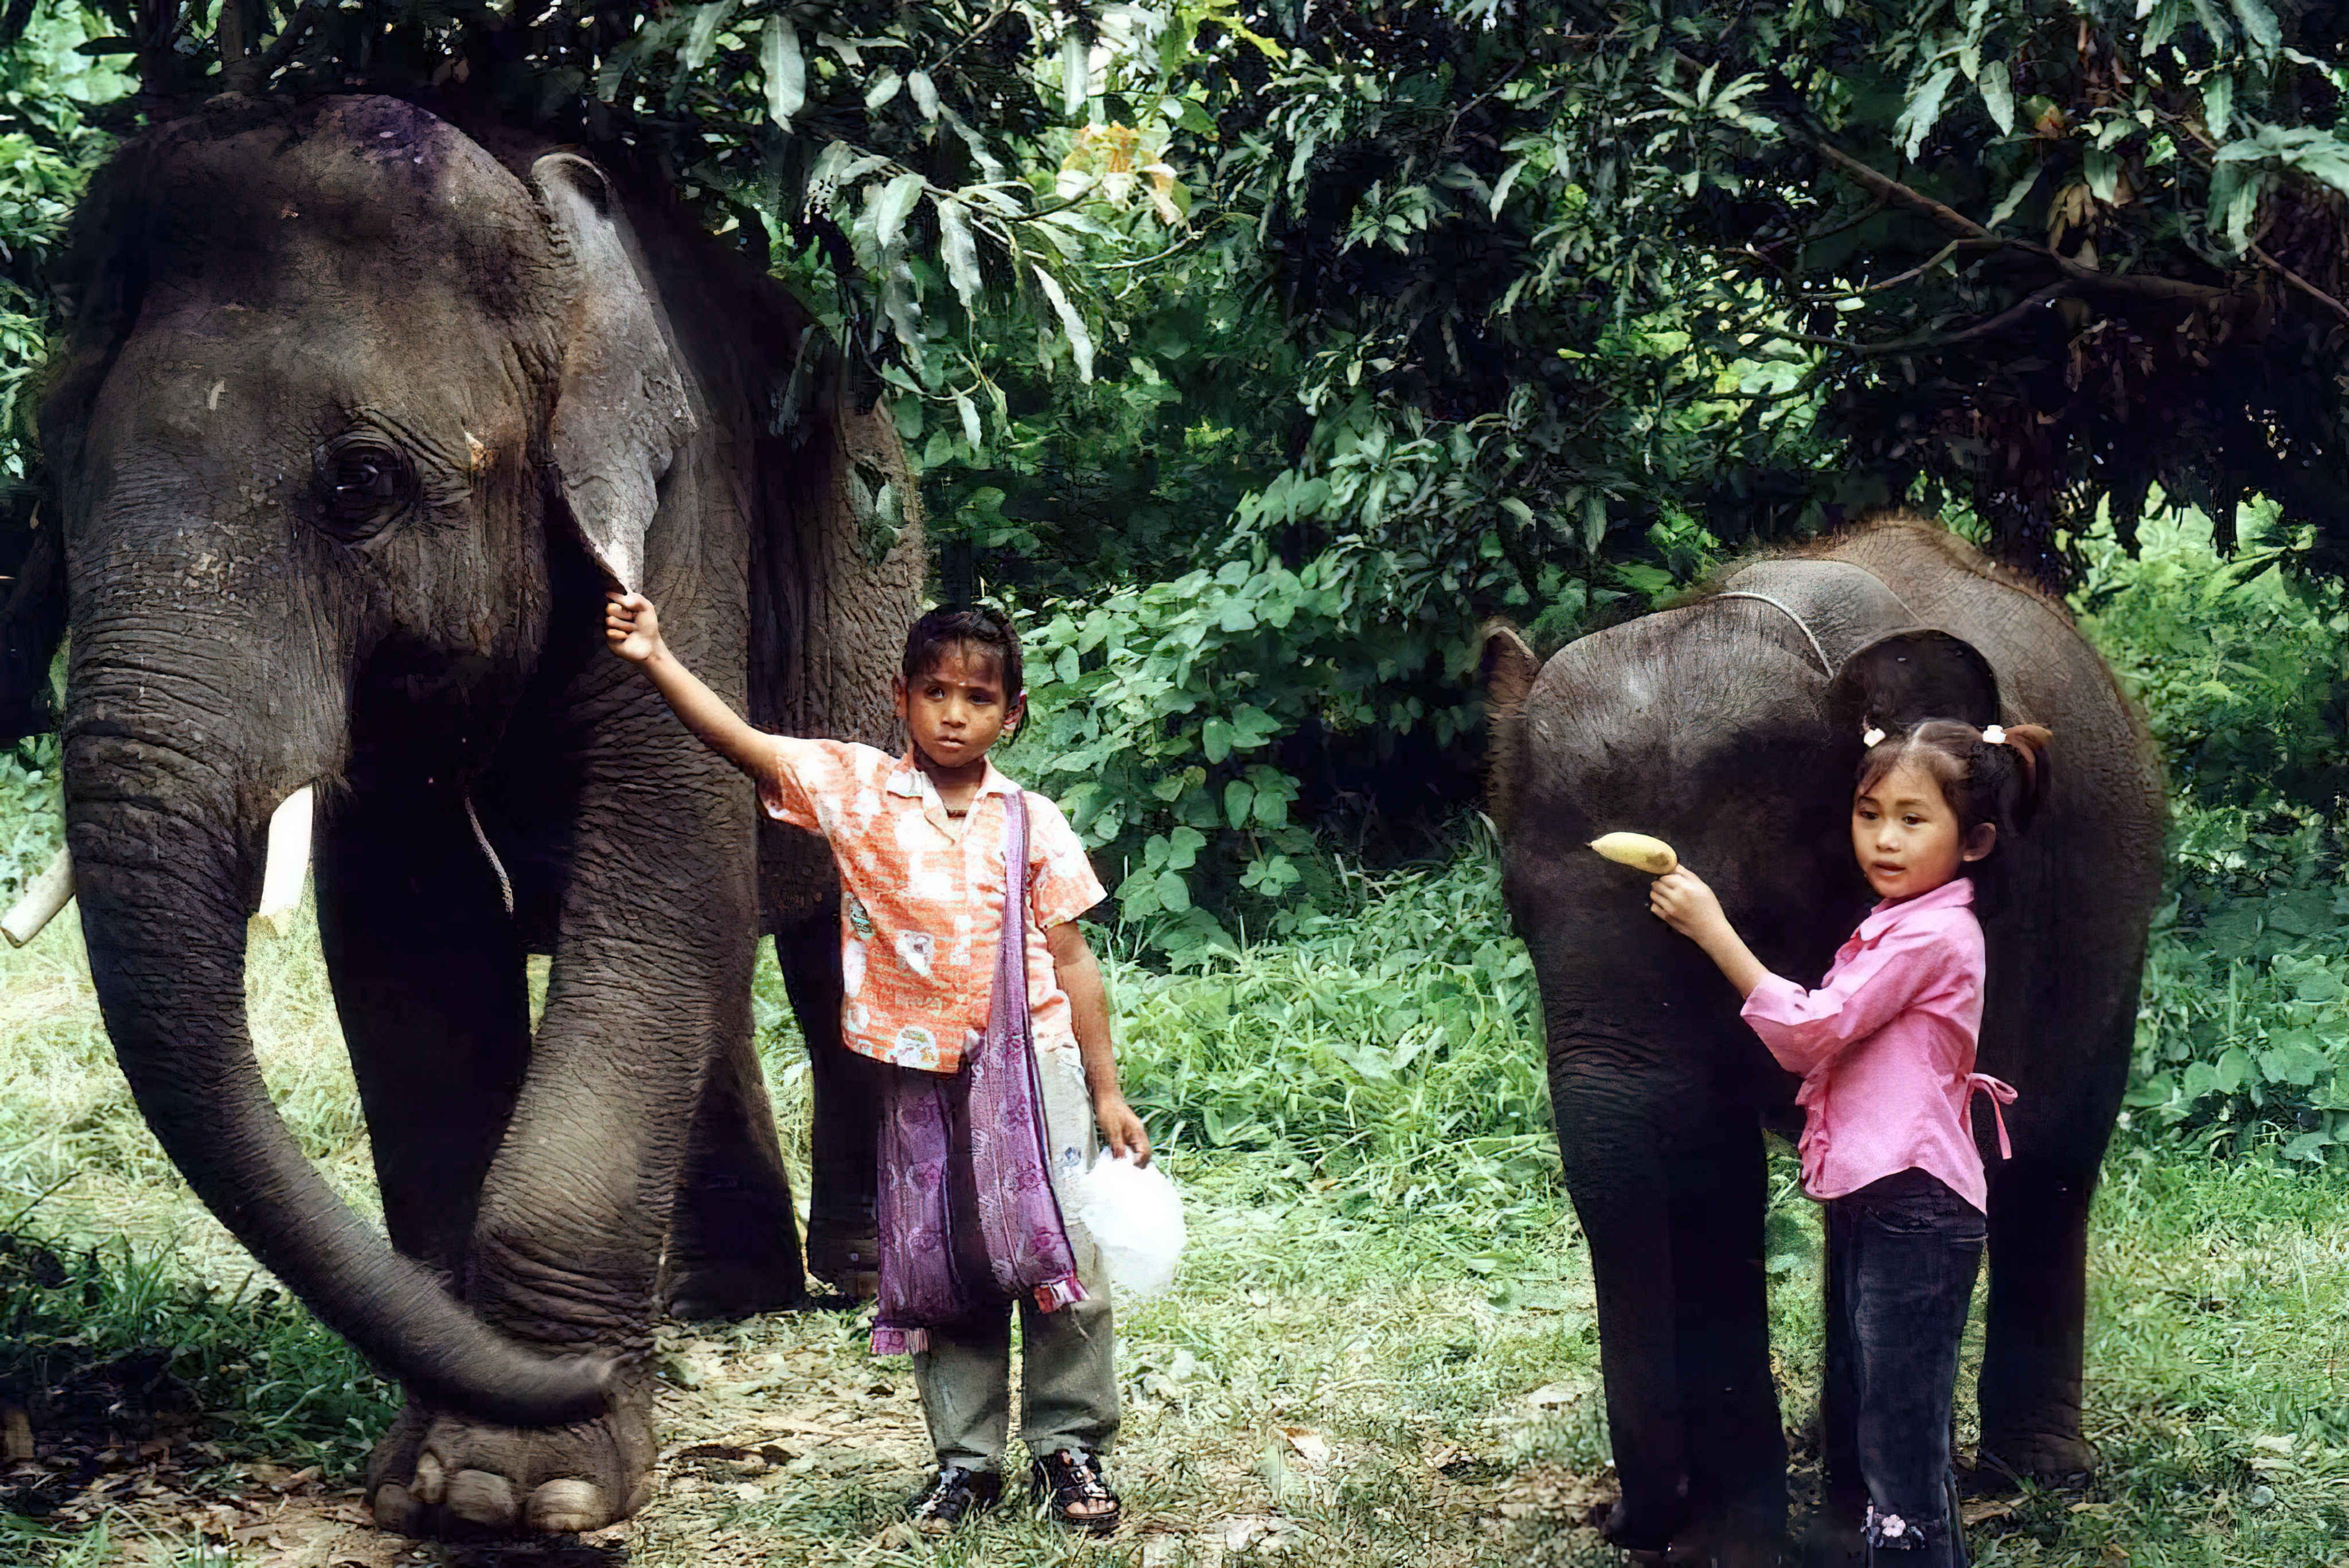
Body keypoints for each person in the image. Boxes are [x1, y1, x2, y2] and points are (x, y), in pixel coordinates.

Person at [604, 591, 1149, 1537]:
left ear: (1010, 714)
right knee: (944, 1266)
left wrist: (1106, 1094)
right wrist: (654, 655)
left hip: (1035, 1068)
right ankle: (966, 1461)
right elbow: (743, 742)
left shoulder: (1034, 821)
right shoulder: (857, 789)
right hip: (917, 1077)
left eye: (978, 698)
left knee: (1062, 1253)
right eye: (934, 691)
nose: (953, 713)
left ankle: (1070, 1445)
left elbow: (1072, 959)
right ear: (900, 697)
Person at [1646, 718, 2051, 1568]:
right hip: (1887, 1199)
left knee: (1899, 1440)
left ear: (1974, 840)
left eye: (1913, 818)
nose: (1885, 838)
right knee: (1894, 1426)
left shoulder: (1933, 935)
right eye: (1870, 814)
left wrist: (1714, 928)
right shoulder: (1900, 925)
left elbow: (1813, 1030)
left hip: (1917, 1205)